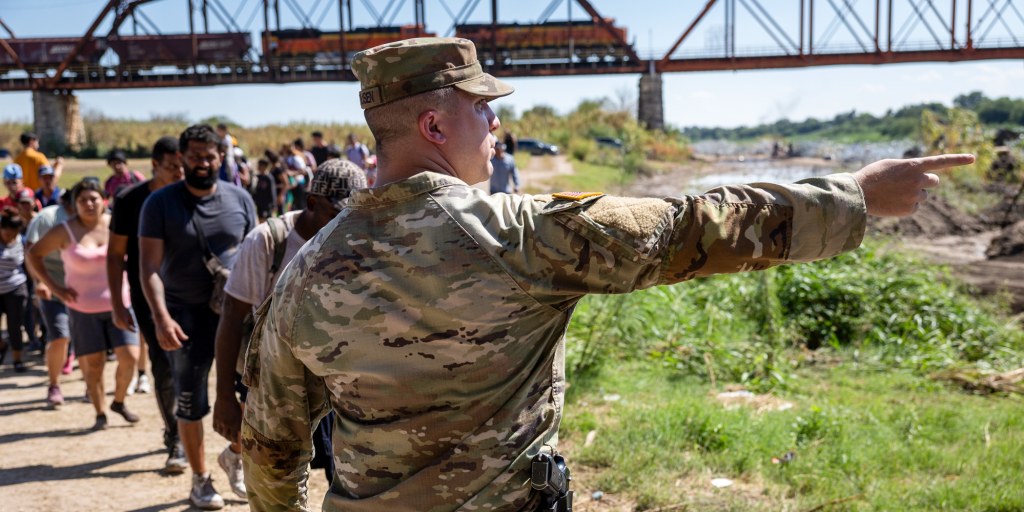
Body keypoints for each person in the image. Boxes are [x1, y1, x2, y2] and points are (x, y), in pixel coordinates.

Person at [239, 37, 976, 510]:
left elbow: (271, 446)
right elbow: (692, 227)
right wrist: (854, 198)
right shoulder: (516, 236)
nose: (497, 126)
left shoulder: (306, 270)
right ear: (434, 127)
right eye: (481, 110)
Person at [213, 159, 367, 498]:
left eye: (352, 214)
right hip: (271, 373)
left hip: (329, 371)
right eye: (335, 214)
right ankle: (238, 454)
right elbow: (231, 315)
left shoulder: (355, 239)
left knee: (336, 461)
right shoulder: (267, 242)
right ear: (311, 203)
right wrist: (224, 394)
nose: (345, 223)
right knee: (277, 463)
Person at [140, 124, 256, 510]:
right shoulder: (159, 204)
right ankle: (200, 479)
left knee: (250, 395)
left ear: (220, 158)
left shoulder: (240, 199)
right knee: (191, 400)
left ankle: (234, 457)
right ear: (182, 159)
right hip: (184, 315)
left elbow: (257, 260)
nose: (203, 163)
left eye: (210, 156)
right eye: (194, 157)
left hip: (236, 314)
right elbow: (149, 267)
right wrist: (160, 318)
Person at [28, 179, 140, 430]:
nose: (89, 204)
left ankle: (119, 401)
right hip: (82, 310)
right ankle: (100, 413)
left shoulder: (117, 225)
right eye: (82, 200)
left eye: (94, 199)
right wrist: (55, 287)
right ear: (73, 205)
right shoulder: (64, 231)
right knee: (94, 366)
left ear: (104, 201)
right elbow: (34, 254)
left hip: (119, 305)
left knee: (130, 357)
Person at [108, 136, 186, 474]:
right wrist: (117, 302)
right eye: (172, 167)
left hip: (190, 293)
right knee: (164, 364)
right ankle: (175, 438)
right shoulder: (130, 200)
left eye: (182, 165)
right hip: (147, 298)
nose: (180, 173)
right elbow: (115, 255)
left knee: (193, 365)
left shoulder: (193, 193)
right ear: (154, 165)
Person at [25, 191, 75, 405]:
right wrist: (40, 282)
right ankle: (54, 385)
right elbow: (30, 252)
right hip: (53, 290)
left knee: (84, 342)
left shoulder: (94, 221)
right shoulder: (47, 218)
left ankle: (93, 386)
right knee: (60, 336)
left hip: (83, 292)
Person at [0, 210, 29, 373]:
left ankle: (17, 359)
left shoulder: (21, 241)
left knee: (14, 326)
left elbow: (29, 265)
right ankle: (2, 346)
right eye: (6, 233)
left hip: (16, 289)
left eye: (13, 234)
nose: (9, 237)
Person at [250, 158, 277, 223]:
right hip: (259, 203)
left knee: (267, 220)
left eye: (260, 165)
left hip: (267, 204)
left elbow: (272, 191)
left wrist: (274, 205)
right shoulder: (257, 177)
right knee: (260, 218)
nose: (258, 167)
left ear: (265, 166)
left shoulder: (269, 178)